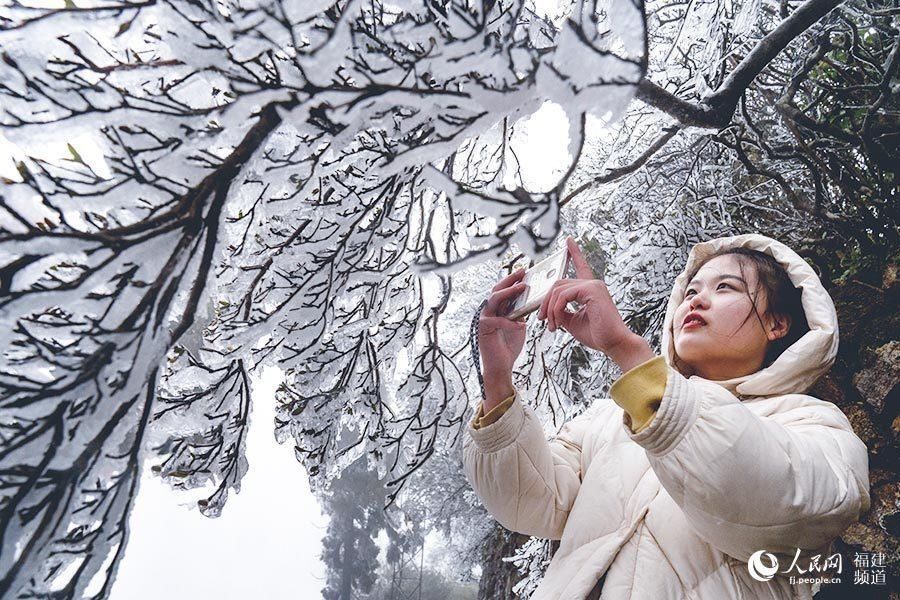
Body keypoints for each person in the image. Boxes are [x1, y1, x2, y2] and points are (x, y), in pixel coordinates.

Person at [463, 233, 870, 600]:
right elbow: (531, 505)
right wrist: (497, 379)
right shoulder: (611, 417)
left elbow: (776, 502)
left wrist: (628, 352)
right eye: (690, 291)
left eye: (725, 287)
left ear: (776, 322)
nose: (695, 300)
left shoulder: (815, 423)